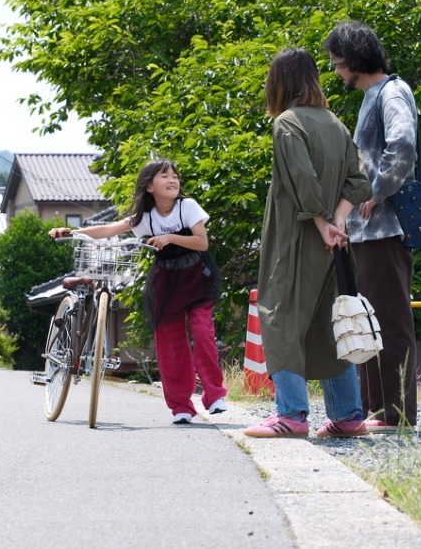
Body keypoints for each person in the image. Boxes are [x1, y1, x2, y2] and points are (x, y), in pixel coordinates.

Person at [243, 47, 372, 439]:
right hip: (334, 243)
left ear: (278, 82)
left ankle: (292, 415)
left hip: (296, 239)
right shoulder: (334, 123)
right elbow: (359, 180)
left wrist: (320, 223)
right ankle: (349, 416)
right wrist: (337, 221)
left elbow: (302, 182)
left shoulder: (287, 123)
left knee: (279, 317)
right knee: (326, 324)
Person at [48, 158, 227, 425]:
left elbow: (201, 243)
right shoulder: (145, 217)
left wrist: (170, 238)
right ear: (149, 187)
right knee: (170, 344)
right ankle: (181, 406)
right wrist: (72, 231)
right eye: (165, 176)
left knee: (203, 332)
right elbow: (109, 229)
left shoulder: (187, 207)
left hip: (196, 277)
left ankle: (214, 396)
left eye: (175, 175)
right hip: (167, 282)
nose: (173, 180)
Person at [324, 20, 419, 434]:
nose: (336, 72)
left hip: (384, 228)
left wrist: (375, 193)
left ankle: (394, 414)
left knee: (389, 320)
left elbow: (403, 146)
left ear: (353, 60)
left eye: (337, 64)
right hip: (367, 231)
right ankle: (377, 410)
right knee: (369, 321)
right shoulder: (372, 95)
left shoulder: (392, 91)